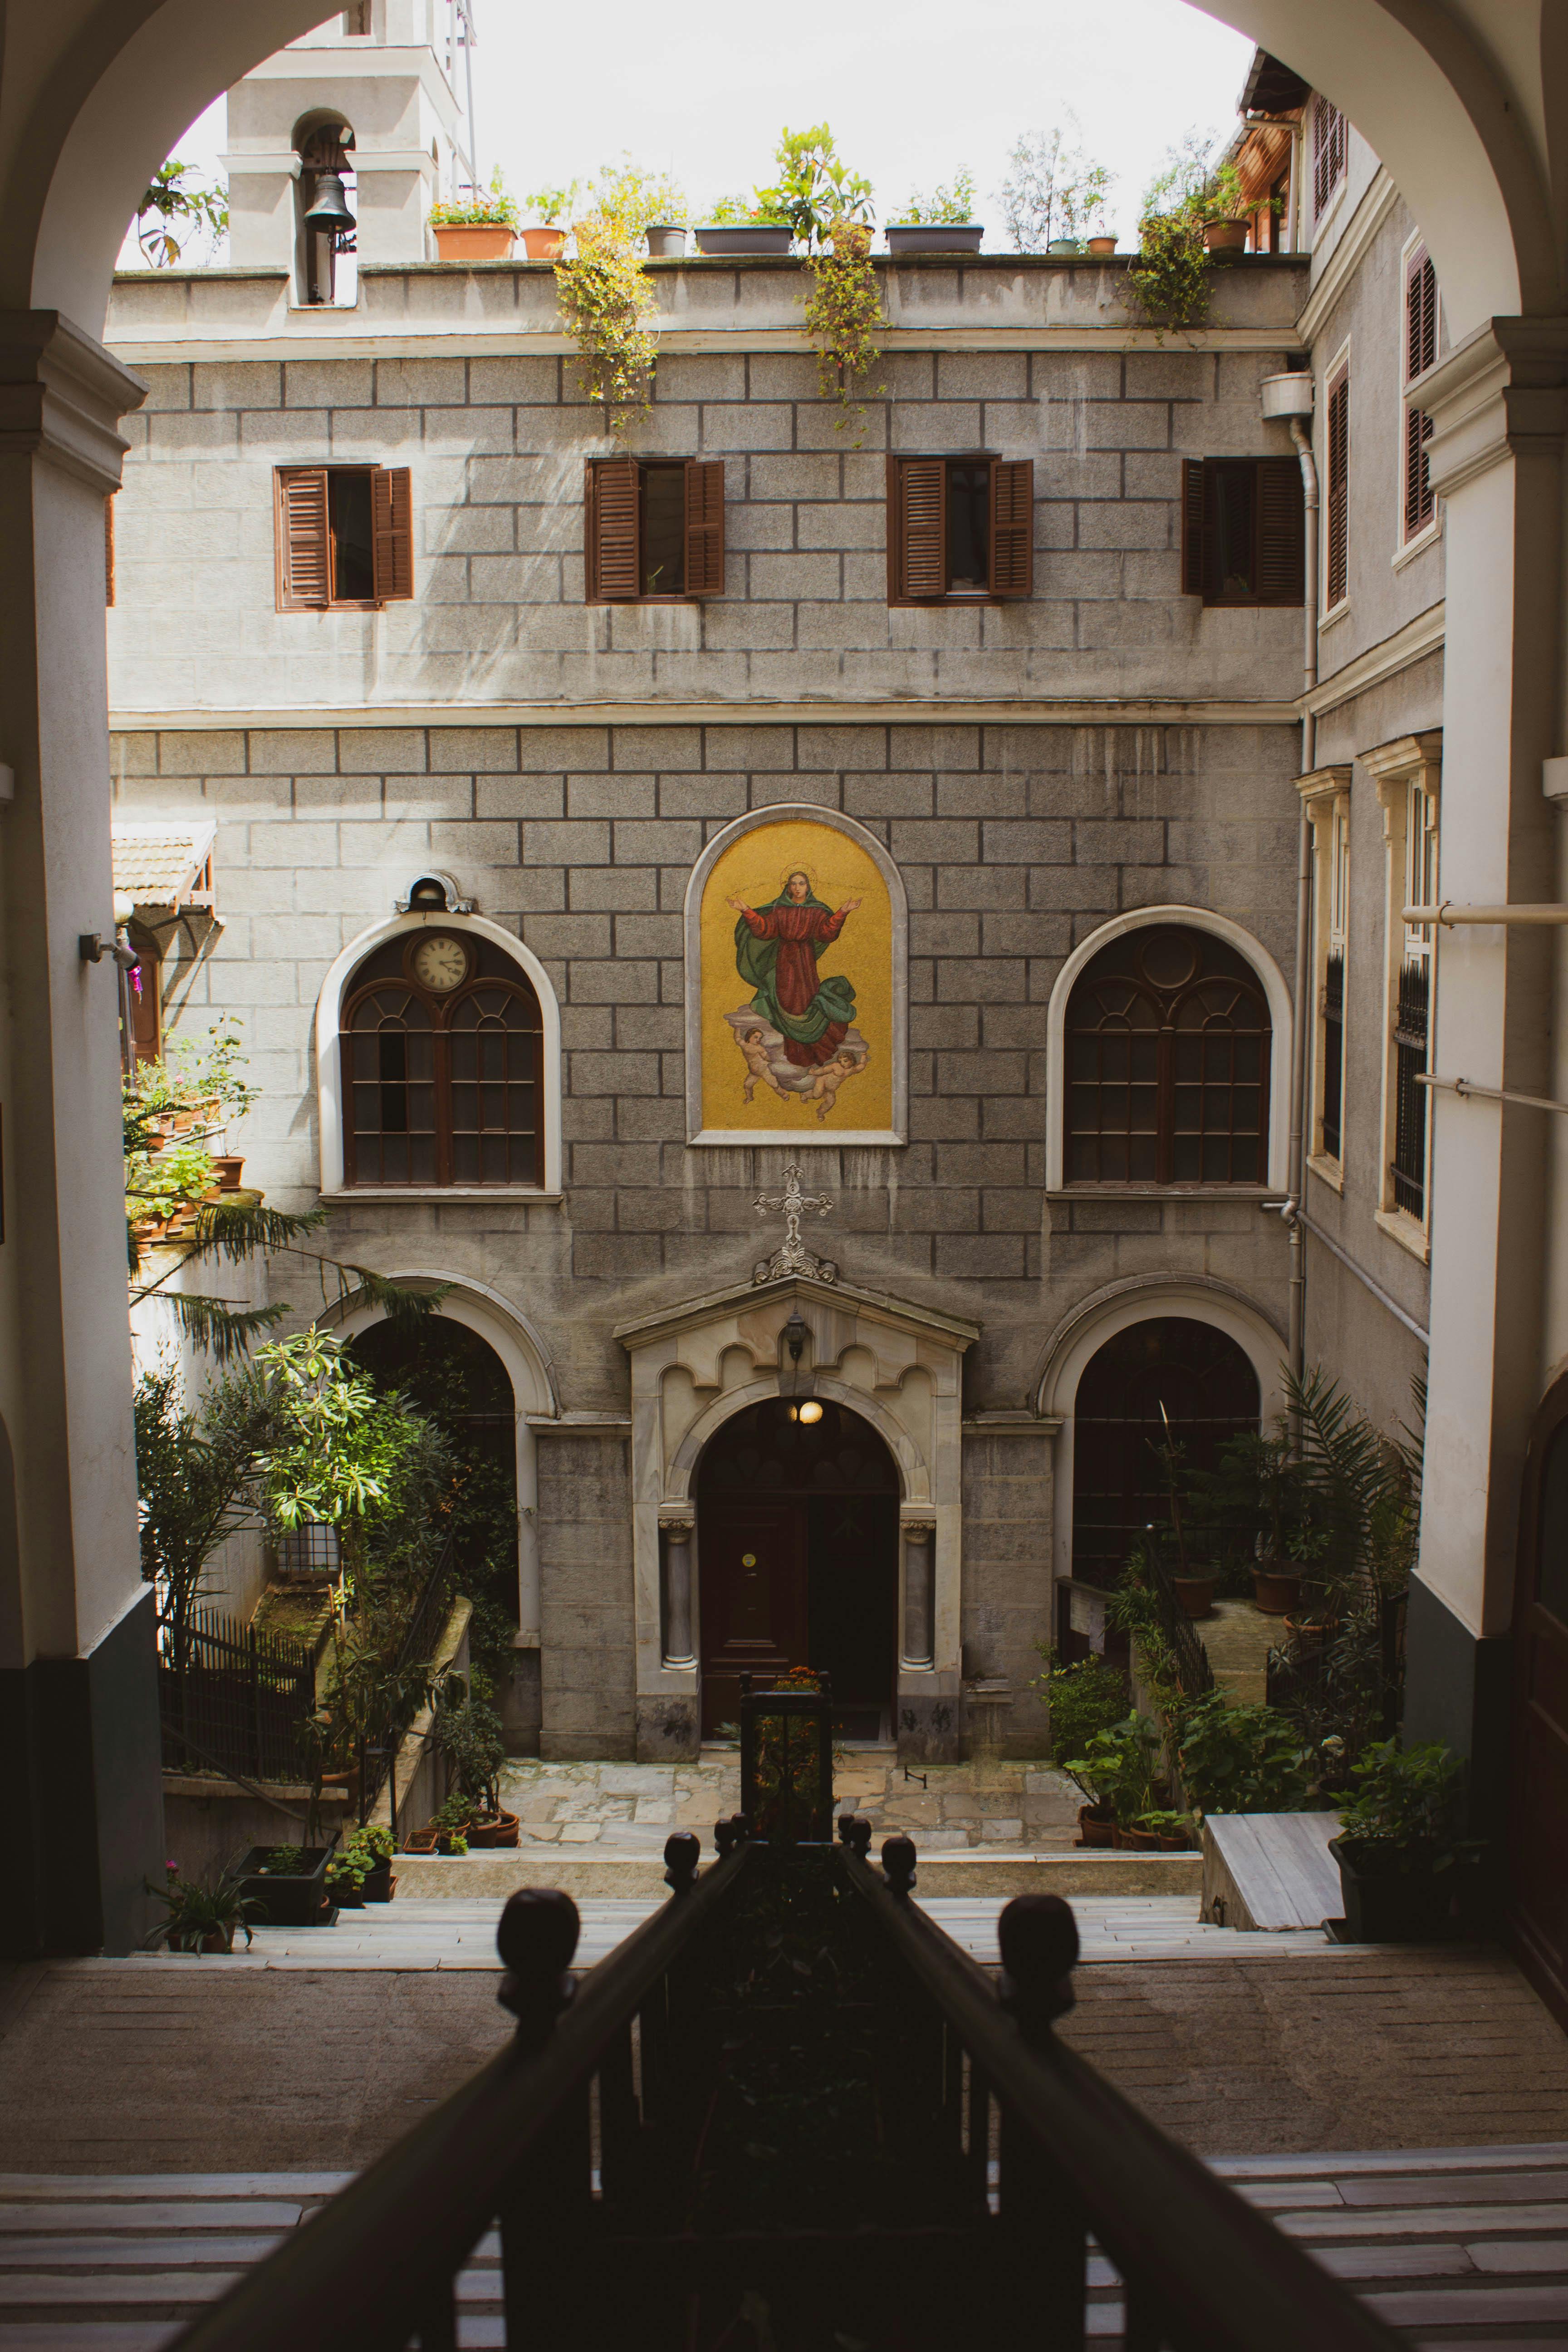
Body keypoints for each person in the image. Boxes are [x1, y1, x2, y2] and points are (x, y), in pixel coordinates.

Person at [726, 869, 862, 1069]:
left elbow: (826, 933)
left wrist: (843, 911)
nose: (797, 888)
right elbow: (764, 929)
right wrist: (745, 909)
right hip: (785, 961)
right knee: (788, 1002)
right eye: (794, 884)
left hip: (806, 963)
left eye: (802, 884)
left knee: (807, 1001)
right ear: (788, 887)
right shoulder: (780, 911)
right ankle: (795, 1053)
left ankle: (815, 1050)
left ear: (808, 887)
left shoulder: (815, 911)